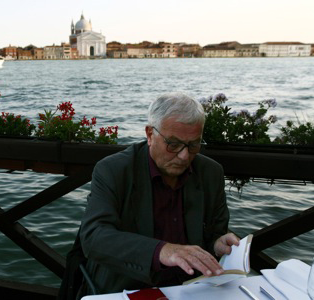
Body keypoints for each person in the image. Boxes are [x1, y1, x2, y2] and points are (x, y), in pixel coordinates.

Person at [79, 93, 239, 295]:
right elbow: (94, 237)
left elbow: (214, 231)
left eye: (193, 145)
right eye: (173, 144)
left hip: (194, 289)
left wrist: (218, 244)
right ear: (149, 134)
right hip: (128, 289)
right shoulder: (113, 170)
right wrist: (161, 251)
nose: (184, 156)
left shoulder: (211, 172)